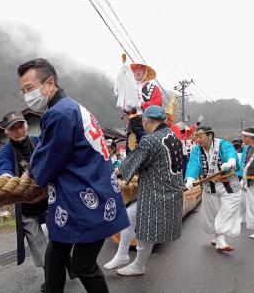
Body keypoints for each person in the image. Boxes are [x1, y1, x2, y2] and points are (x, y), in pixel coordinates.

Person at [18, 58, 129, 293]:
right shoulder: (72, 107)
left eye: (29, 88)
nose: (27, 95)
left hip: (86, 198)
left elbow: (45, 166)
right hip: (94, 193)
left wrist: (31, 171)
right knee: (56, 250)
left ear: (50, 83)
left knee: (83, 263)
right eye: (23, 91)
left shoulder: (60, 113)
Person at [113, 105, 184, 276]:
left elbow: (129, 165)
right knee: (129, 217)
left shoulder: (150, 140)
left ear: (145, 121)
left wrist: (114, 172)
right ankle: (122, 255)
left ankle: (138, 265)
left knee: (147, 231)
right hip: (168, 191)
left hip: (155, 194)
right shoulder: (172, 136)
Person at [0, 111, 49, 292]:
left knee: (61, 235)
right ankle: (50, 276)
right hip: (25, 205)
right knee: (37, 242)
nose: (18, 131)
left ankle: (65, 263)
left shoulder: (37, 141)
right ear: (7, 132)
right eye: (13, 128)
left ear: (26, 125)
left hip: (49, 199)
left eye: (20, 125)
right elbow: (3, 168)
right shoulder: (5, 151)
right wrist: (7, 178)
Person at [185, 126, 241, 251]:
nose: (198, 139)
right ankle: (217, 237)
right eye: (196, 137)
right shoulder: (197, 150)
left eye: (201, 136)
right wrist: (190, 178)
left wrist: (231, 160)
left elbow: (230, 153)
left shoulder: (222, 144)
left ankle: (221, 240)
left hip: (229, 183)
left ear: (210, 136)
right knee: (213, 213)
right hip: (210, 185)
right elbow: (193, 164)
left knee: (228, 210)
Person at [124, 63, 163, 154]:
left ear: (145, 72)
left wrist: (142, 105)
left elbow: (158, 103)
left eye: (140, 70)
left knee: (147, 154)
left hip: (147, 124)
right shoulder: (130, 89)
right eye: (135, 71)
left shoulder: (153, 88)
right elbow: (126, 107)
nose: (137, 72)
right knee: (131, 155)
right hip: (132, 126)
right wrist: (126, 107)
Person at [238, 127, 254, 238]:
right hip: (248, 180)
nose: (243, 138)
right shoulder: (248, 148)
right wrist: (242, 179)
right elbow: (244, 164)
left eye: (245, 136)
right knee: (249, 204)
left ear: (251, 137)